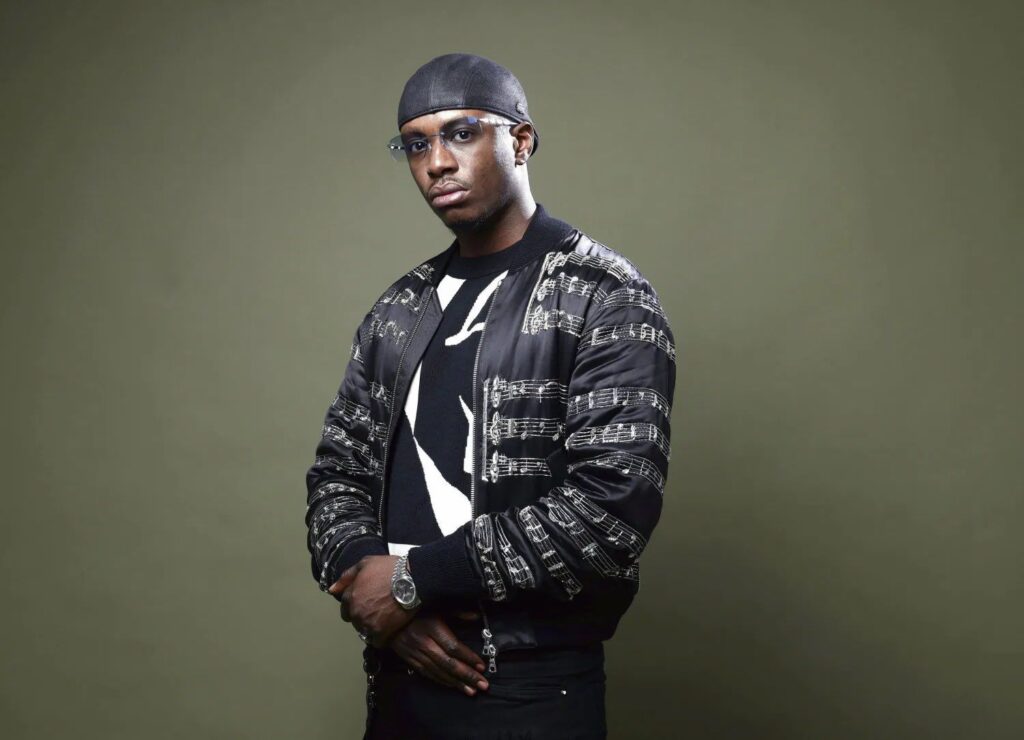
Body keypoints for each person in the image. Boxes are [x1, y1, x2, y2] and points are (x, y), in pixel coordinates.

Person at [304, 52, 677, 740]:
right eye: (417, 144)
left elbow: (611, 509)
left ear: (521, 140)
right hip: (398, 680)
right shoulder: (401, 308)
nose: (437, 163)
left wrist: (412, 582)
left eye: (462, 133)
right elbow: (337, 474)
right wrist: (382, 606)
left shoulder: (604, 294)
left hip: (531, 691)